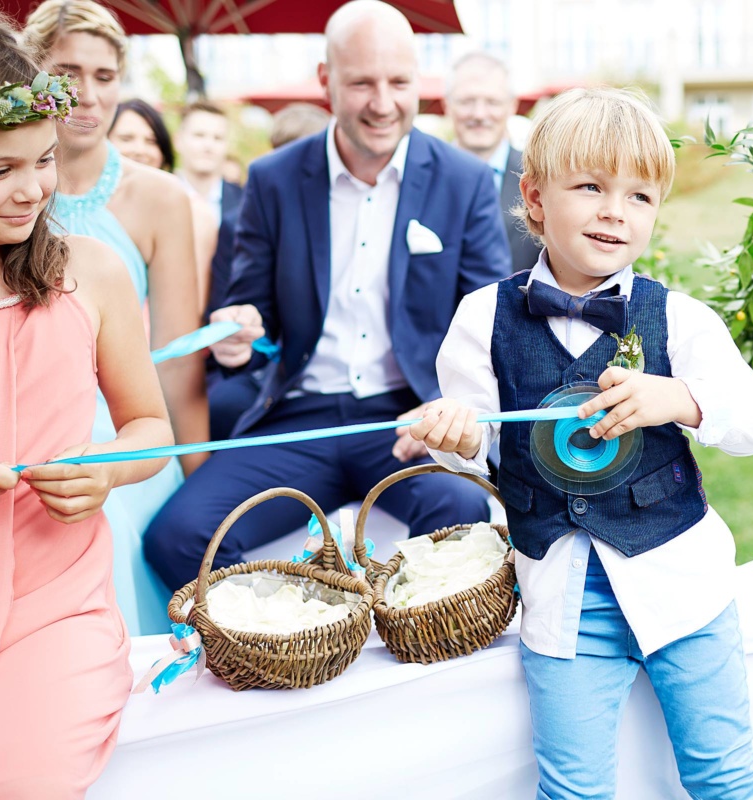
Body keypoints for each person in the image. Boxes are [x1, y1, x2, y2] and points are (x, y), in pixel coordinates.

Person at [410, 87, 753, 800]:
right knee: (573, 788)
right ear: (536, 197)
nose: (616, 210)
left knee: (726, 777)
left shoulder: (682, 319)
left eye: (640, 196)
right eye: (590, 186)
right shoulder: (481, 316)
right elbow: (475, 439)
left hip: (684, 589)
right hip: (564, 601)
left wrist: (683, 399)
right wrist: (451, 438)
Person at [143, 0, 512, 591]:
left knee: (461, 511)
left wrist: (443, 407)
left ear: (418, 81)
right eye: (362, 82)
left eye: (398, 82)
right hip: (299, 418)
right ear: (327, 81)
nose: (383, 103)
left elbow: (492, 326)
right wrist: (241, 335)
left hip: (405, 420)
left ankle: (411, 663)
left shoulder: (462, 182)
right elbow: (252, 316)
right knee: (178, 536)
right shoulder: (273, 179)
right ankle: (276, 649)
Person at [0, 8, 173, 796]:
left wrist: (106, 469)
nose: (33, 189)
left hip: (52, 612)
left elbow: (151, 427)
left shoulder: (94, 272)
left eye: (43, 161)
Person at [24, 0, 209, 634]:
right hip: (22, 429)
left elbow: (180, 361)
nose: (86, 94)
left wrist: (199, 483)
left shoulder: (160, 197)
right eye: (66, 71)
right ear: (29, 72)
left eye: (105, 76)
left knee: (117, 528)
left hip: (129, 435)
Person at [110, 98, 218, 310]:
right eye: (126, 138)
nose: (140, 150)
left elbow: (192, 305)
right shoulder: (88, 209)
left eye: (152, 141)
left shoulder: (193, 212)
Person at [446, 51, 541, 272]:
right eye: (467, 101)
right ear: (447, 106)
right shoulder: (419, 177)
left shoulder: (539, 176)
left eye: (493, 102)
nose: (479, 114)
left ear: (512, 107)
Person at [175, 100, 243, 313]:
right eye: (199, 135)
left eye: (217, 138)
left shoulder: (246, 202)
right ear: (179, 141)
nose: (208, 145)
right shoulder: (157, 195)